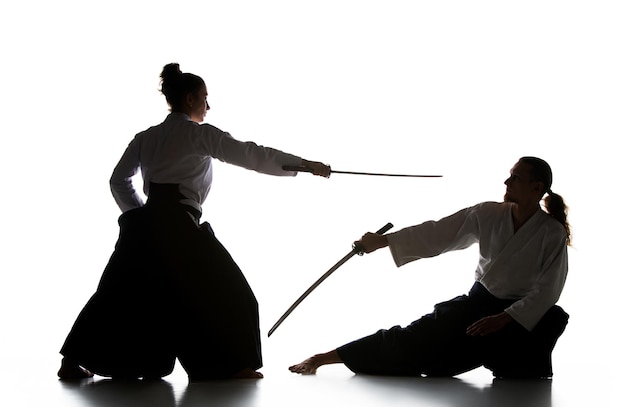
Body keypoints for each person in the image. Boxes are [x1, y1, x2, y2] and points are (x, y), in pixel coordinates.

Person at [58, 63, 330, 381]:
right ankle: (230, 365)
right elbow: (251, 155)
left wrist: (138, 215)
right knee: (230, 291)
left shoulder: (146, 137)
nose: (208, 105)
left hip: (145, 226)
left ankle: (72, 363)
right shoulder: (198, 135)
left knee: (119, 293)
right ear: (190, 100)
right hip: (178, 225)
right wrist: (305, 165)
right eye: (204, 97)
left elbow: (119, 181)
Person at [289, 157, 570, 379]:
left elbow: (548, 290)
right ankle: (323, 358)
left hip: (515, 317)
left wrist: (505, 317)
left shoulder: (551, 232)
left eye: (516, 177)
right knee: (414, 342)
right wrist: (384, 241)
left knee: (551, 318)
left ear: (537, 187)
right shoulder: (488, 213)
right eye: (510, 174)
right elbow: (439, 233)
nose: (507, 181)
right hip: (478, 305)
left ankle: (514, 366)